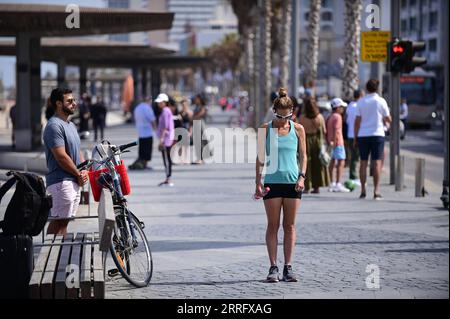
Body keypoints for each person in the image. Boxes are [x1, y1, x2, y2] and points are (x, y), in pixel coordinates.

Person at [254, 87, 307, 283]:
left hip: (293, 183)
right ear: (274, 111)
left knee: (290, 226)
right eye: (280, 116)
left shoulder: (298, 129)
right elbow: (259, 158)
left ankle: (288, 267)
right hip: (272, 183)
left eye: (287, 116)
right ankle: (273, 266)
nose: (283, 120)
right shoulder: (265, 129)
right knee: (273, 226)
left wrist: (302, 177)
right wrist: (257, 182)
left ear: (292, 112)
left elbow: (304, 156)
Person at [42, 87, 88, 235]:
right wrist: (78, 174)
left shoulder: (71, 125)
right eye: (69, 101)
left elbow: (78, 150)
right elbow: (61, 157)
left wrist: (83, 170)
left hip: (72, 180)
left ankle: (59, 253)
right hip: (61, 182)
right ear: (58, 104)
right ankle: (49, 255)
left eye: (74, 100)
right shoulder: (54, 126)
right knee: (59, 222)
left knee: (64, 222)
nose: (74, 103)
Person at [354, 79, 392, 200]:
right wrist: (387, 122)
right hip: (377, 135)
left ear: (366, 88)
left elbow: (357, 122)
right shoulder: (381, 101)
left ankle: (363, 190)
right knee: (376, 163)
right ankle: (376, 190)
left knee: (363, 163)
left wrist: (355, 137)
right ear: (377, 88)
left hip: (363, 135)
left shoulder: (361, 101)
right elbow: (388, 119)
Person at [299, 97, 330, 193]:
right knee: (317, 164)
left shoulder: (302, 118)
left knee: (306, 163)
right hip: (317, 141)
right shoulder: (319, 117)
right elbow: (324, 131)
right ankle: (317, 187)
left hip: (306, 140)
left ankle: (307, 186)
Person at [326, 98, 350, 193]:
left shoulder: (330, 116)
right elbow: (337, 130)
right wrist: (335, 142)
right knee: (341, 162)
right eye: (341, 107)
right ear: (337, 107)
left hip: (330, 142)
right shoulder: (338, 117)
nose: (342, 109)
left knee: (332, 163)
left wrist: (330, 142)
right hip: (338, 142)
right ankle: (338, 183)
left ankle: (331, 183)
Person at [129, 96, 157, 170]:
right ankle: (145, 165)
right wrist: (156, 129)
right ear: (149, 101)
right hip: (148, 132)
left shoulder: (137, 108)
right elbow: (152, 120)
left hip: (140, 132)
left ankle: (141, 163)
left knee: (142, 149)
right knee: (147, 150)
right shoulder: (148, 108)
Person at [345, 89, 365, 184]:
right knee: (356, 157)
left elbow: (348, 120)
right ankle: (354, 177)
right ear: (360, 95)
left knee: (354, 157)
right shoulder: (358, 106)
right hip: (357, 134)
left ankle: (354, 175)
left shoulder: (350, 106)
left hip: (350, 134)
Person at [156, 93, 175, 187]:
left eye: (160, 102)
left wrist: (161, 139)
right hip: (167, 138)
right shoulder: (166, 110)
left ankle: (168, 178)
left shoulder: (165, 111)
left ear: (165, 102)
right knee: (166, 159)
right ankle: (167, 178)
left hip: (166, 139)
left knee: (167, 159)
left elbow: (165, 127)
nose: (159, 104)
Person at [192, 94, 211, 164]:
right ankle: (199, 158)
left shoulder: (203, 106)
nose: (195, 100)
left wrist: (194, 117)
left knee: (201, 141)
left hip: (200, 124)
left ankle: (201, 158)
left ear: (200, 99)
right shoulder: (196, 106)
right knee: (197, 142)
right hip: (196, 123)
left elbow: (202, 113)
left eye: (197, 99)